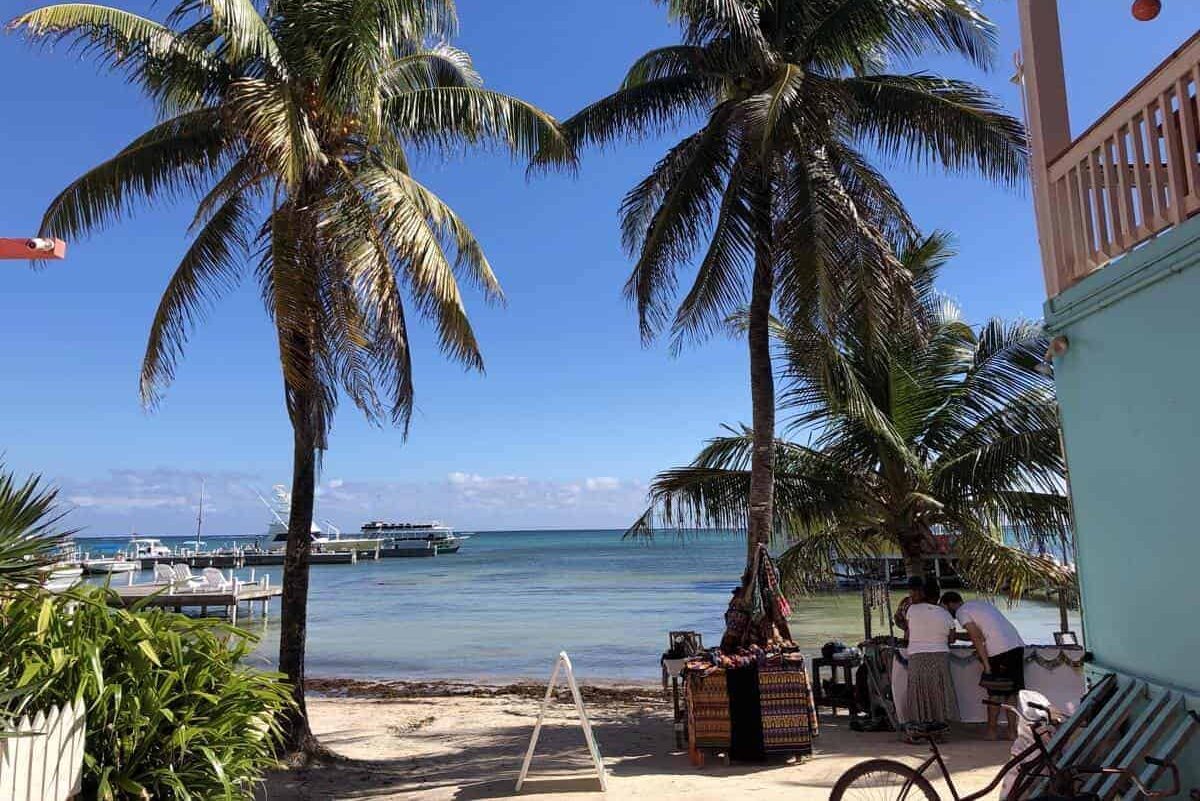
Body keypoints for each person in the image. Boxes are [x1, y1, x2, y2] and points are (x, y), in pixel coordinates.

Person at [941, 592, 1026, 740]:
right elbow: (980, 632)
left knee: (995, 693)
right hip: (1016, 645)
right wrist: (957, 637)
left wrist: (986, 664)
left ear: (950, 604)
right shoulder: (979, 605)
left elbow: (977, 638)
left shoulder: (961, 612)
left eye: (945, 609)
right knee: (1011, 692)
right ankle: (1012, 732)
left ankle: (992, 732)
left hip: (1000, 650)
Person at [904, 579, 959, 737]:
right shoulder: (945, 614)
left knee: (918, 690)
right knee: (938, 690)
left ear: (921, 593)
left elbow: (908, 634)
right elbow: (952, 639)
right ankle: (940, 726)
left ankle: (918, 726)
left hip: (917, 654)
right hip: (940, 655)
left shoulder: (912, 609)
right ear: (938, 595)